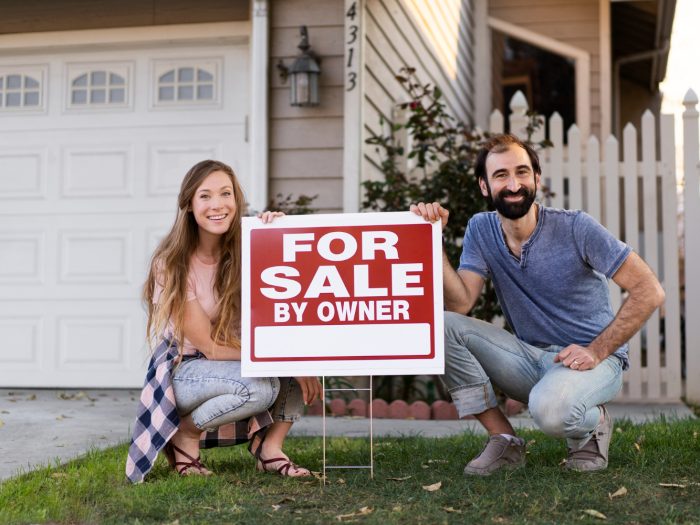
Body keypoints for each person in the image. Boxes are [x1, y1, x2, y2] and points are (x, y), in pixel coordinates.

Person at [412, 133, 664, 475]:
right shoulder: (480, 229)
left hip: (591, 363)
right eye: (501, 175)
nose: (513, 184)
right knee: (440, 326)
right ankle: (504, 440)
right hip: (529, 359)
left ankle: (593, 422)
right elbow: (460, 305)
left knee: (551, 412)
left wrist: (597, 350)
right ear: (484, 186)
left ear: (537, 180)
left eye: (522, 172)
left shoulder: (576, 227)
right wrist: (432, 240)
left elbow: (649, 290)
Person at [126, 159, 322, 483]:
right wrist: (284, 362)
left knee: (305, 354)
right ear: (189, 205)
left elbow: (296, 283)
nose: (217, 205)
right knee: (261, 386)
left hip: (233, 358)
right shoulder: (172, 264)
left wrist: (278, 233)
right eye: (205, 196)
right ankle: (184, 434)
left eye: (225, 194)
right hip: (188, 371)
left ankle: (271, 450)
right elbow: (210, 347)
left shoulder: (247, 248)